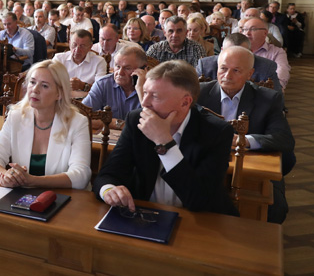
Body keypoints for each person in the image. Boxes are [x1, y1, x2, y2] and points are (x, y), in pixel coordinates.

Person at [0, 60, 91, 276]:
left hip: (66, 204)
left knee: (36, 238)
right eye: (31, 82)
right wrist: (4, 174)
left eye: (44, 85)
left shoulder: (76, 121)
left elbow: (80, 177)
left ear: (59, 92)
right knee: (6, 232)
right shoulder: (16, 115)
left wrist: (32, 181)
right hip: (21, 198)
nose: (34, 90)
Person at [94, 60, 238, 216]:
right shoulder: (137, 120)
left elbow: (199, 200)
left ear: (185, 102)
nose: (144, 103)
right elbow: (107, 174)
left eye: (155, 96)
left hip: (198, 221)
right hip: (144, 213)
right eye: (145, 92)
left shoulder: (217, 132)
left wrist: (164, 142)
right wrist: (109, 190)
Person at [197, 46, 294, 224]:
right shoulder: (199, 93)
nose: (227, 75)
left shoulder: (268, 98)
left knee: (275, 209)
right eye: (223, 69)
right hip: (207, 164)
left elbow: (284, 138)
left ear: (250, 74)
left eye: (236, 70)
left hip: (254, 168)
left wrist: (243, 141)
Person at [83, 45, 146, 130]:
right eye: (117, 66)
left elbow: (154, 123)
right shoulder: (103, 84)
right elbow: (82, 116)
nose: (120, 73)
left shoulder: (154, 88)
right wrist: (116, 124)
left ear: (143, 70)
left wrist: (140, 90)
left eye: (127, 68)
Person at [196, 33, 282, 95]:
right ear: (221, 50)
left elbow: (276, 100)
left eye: (241, 53)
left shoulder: (267, 67)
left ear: (251, 52)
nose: (228, 76)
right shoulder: (205, 65)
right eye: (229, 52)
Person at [241, 17, 290, 90]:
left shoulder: (277, 52)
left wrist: (276, 88)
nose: (247, 33)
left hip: (263, 92)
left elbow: (282, 72)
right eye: (245, 29)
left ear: (265, 33)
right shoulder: (235, 49)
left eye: (253, 29)